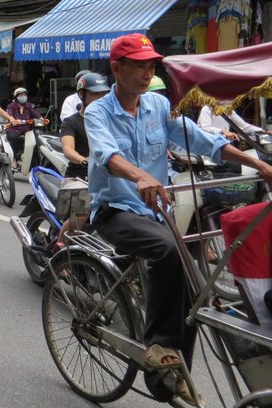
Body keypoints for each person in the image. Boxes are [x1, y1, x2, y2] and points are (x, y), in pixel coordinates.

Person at [84, 33, 272, 406]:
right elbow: (106, 154)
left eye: (150, 65)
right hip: (115, 211)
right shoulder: (97, 112)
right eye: (138, 65)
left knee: (195, 285)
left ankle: (172, 375)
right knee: (168, 250)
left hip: (157, 210)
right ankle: (158, 346)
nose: (145, 72)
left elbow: (202, 139)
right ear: (117, 68)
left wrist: (256, 162)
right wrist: (139, 175)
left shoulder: (157, 104)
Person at [60, 73, 110, 180]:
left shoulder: (112, 119)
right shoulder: (70, 122)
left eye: (104, 94)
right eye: (96, 94)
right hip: (79, 176)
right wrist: (83, 160)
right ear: (82, 94)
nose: (101, 98)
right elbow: (68, 149)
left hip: (109, 176)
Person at [5, 87, 45, 170]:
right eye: (21, 95)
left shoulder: (28, 105)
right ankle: (13, 159)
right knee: (14, 138)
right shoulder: (11, 106)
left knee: (36, 138)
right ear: (16, 97)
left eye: (24, 95)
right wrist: (13, 120)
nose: (23, 97)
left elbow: (35, 114)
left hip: (26, 129)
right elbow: (10, 115)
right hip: (14, 129)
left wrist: (41, 119)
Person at [198, 104, 270, 141]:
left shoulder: (228, 110)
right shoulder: (207, 109)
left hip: (223, 143)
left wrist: (264, 132)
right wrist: (223, 131)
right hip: (208, 143)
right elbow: (206, 128)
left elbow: (244, 127)